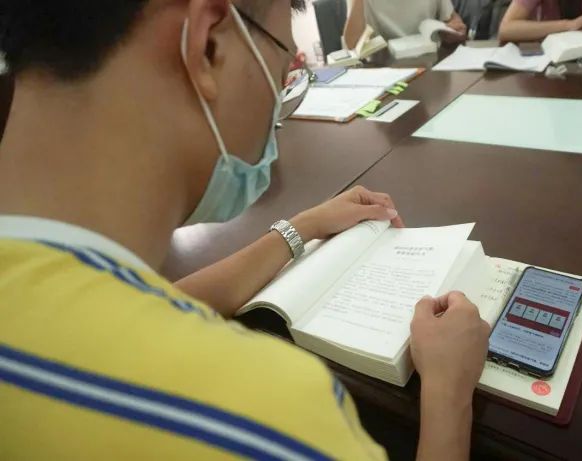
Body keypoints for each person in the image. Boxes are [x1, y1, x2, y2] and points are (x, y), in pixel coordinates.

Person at [0, 1, 490, 460]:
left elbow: (142, 304)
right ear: (209, 44)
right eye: (284, 73)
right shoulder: (260, 414)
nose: (280, 100)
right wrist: (449, 394)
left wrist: (300, 228)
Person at [343, 0, 468, 50]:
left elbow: (451, 18)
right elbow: (352, 44)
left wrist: (456, 28)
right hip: (386, 67)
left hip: (430, 60)